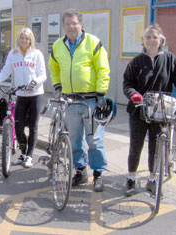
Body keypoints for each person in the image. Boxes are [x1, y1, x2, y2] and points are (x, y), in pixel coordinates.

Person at [123, 24, 176, 196]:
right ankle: (131, 178)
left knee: (156, 147)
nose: (151, 40)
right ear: (143, 41)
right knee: (136, 146)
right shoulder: (136, 61)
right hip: (139, 110)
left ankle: (152, 179)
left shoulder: (170, 59)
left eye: (154, 37)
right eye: (148, 37)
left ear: (161, 40)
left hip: (161, 110)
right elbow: (127, 84)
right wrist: (133, 94)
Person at [48, 9, 111, 192]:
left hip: (91, 100)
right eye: (67, 24)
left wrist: (100, 92)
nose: (71, 27)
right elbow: (54, 67)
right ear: (64, 26)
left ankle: (98, 174)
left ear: (81, 24)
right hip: (70, 101)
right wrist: (58, 86)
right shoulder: (58, 45)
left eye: (74, 23)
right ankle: (81, 172)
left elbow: (103, 68)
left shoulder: (93, 42)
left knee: (94, 141)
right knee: (74, 140)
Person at [0, 27, 47, 168]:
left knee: (33, 126)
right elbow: (5, 72)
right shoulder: (13, 54)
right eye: (21, 37)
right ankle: (23, 152)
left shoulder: (37, 54)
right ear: (18, 39)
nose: (24, 40)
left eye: (27, 38)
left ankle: (30, 156)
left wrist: (34, 82)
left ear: (31, 40)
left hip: (35, 94)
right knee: (18, 126)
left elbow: (43, 75)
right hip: (20, 94)